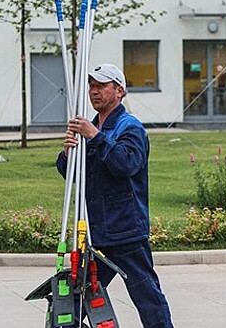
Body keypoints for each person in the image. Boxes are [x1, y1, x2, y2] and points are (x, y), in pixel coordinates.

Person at [55, 64, 174, 328]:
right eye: (91, 86)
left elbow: (126, 165)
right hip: (97, 231)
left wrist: (95, 137)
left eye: (101, 86)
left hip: (126, 231)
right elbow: (73, 174)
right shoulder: (91, 127)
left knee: (147, 296)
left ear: (119, 91)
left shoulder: (129, 128)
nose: (94, 92)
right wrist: (67, 153)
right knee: (78, 294)